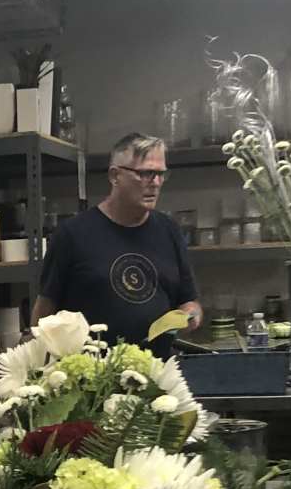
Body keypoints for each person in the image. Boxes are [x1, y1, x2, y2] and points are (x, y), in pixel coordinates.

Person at [35, 132, 202, 355]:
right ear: (115, 176)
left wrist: (191, 315)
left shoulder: (169, 230)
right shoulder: (72, 235)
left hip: (158, 377)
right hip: (93, 379)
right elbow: (44, 315)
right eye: (145, 174)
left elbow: (188, 301)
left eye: (161, 174)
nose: (156, 183)